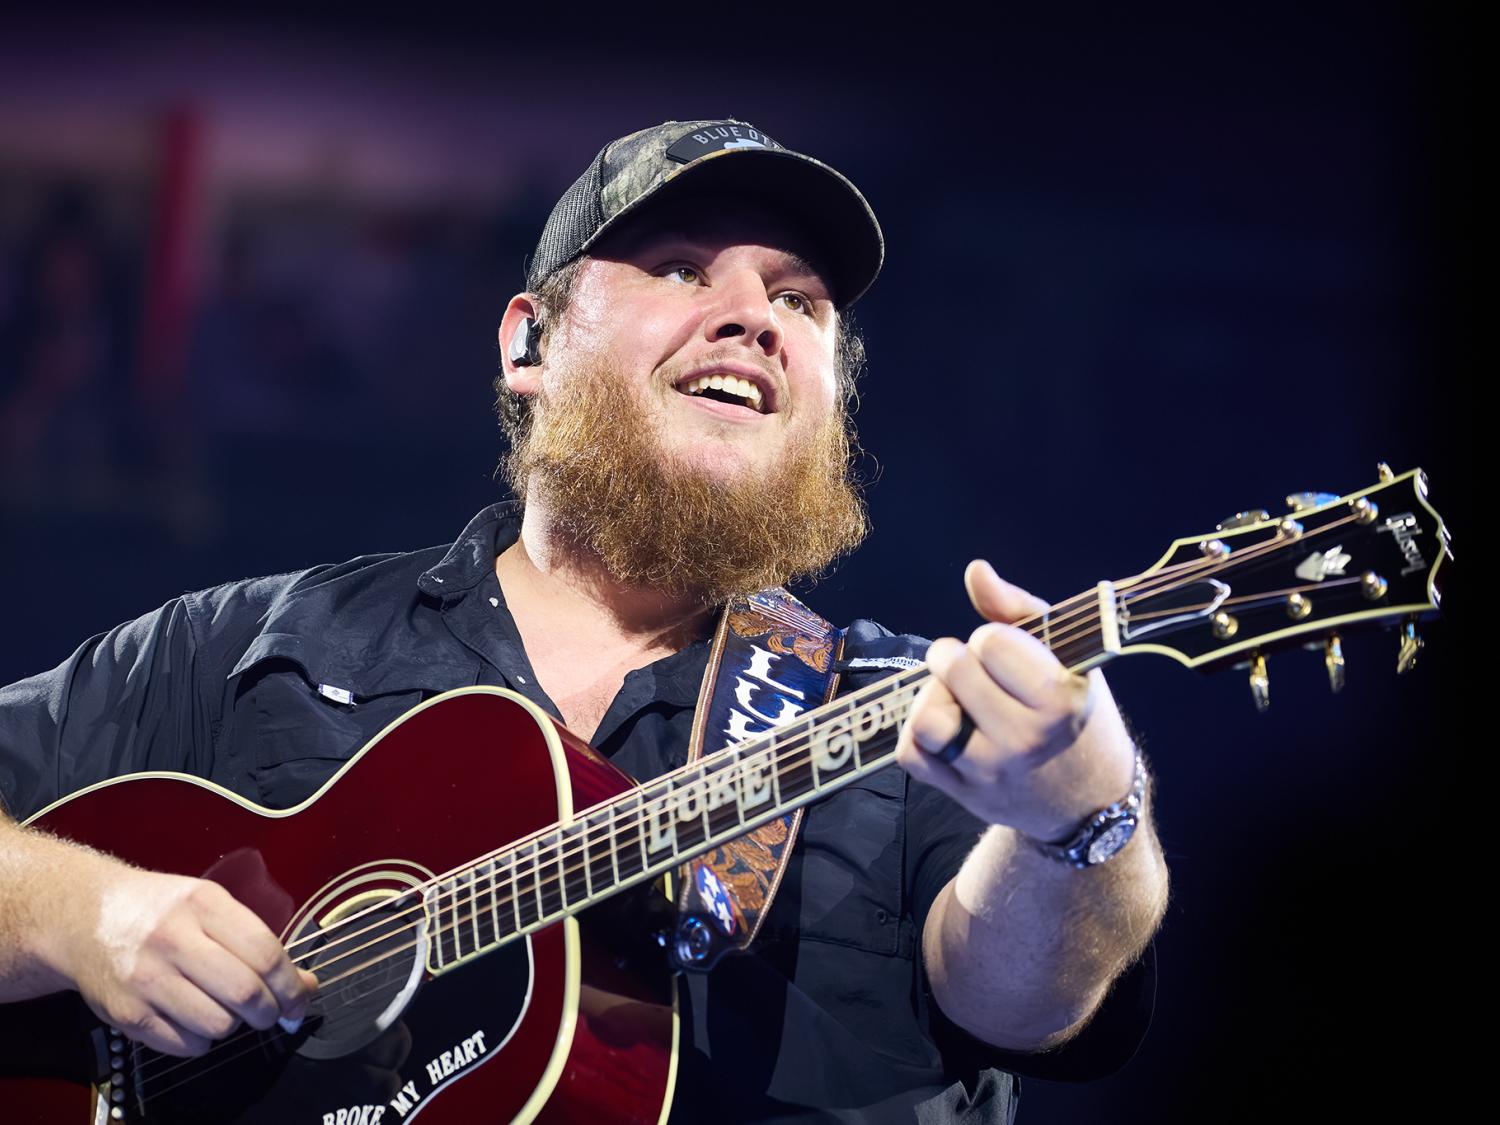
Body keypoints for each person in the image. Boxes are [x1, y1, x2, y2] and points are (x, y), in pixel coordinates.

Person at [0, 119, 1169, 1123]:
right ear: (529, 343)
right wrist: (85, 912)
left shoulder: (922, 718)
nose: (752, 317)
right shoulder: (253, 646)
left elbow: (1029, 1004)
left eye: (798, 299)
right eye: (681, 268)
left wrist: (1081, 818)